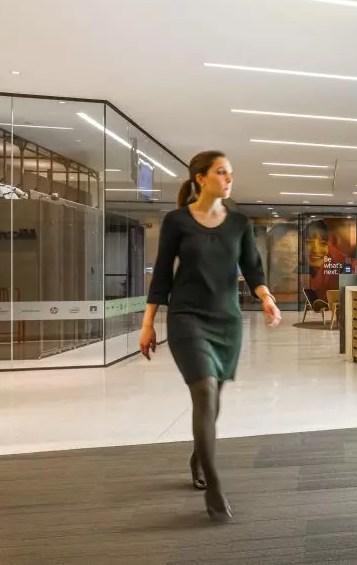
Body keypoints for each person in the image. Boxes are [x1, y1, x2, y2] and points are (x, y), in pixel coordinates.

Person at [139, 150, 281, 522]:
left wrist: (266, 298)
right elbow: (163, 278)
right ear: (200, 178)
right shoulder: (176, 222)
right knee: (203, 391)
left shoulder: (239, 223)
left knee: (213, 400)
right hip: (187, 318)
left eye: (231, 173)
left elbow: (253, 268)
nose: (229, 179)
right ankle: (215, 487)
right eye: (221, 172)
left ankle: (197, 455)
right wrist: (148, 322)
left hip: (226, 322)